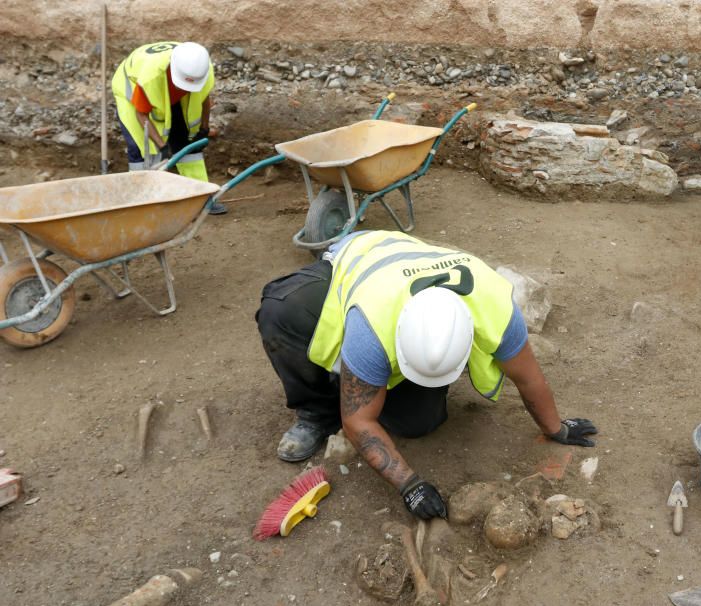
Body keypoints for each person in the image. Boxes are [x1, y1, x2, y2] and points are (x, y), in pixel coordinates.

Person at [256, 230, 598, 520]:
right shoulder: (371, 326)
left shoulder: (495, 308)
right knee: (281, 310)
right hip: (358, 256)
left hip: (407, 268)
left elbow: (528, 377)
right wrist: (410, 486)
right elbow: (358, 422)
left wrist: (557, 428)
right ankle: (316, 410)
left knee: (418, 423)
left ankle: (355, 383)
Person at [111, 41, 226, 214]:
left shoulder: (201, 69)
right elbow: (141, 115)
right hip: (132, 90)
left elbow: (203, 99)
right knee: (142, 148)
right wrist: (161, 145)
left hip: (168, 91)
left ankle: (201, 197)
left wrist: (203, 129)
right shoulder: (150, 79)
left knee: (187, 140)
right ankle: (142, 202)